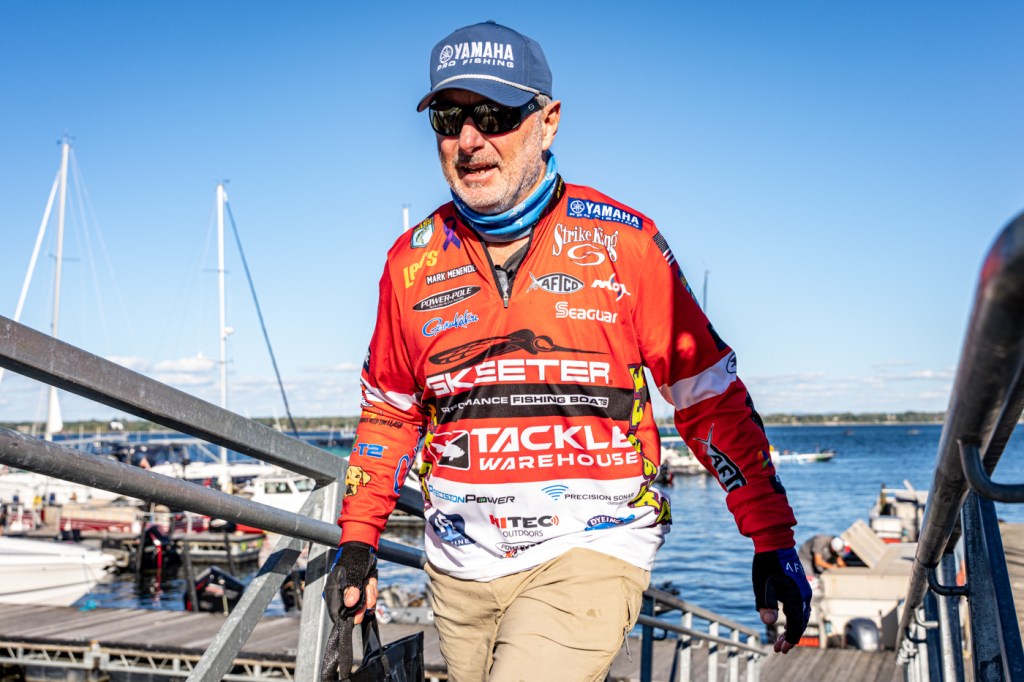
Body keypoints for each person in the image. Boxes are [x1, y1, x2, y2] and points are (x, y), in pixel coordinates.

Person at [326, 20, 812, 679]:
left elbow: (708, 395)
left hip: (592, 546)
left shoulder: (626, 242)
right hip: (458, 568)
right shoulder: (408, 263)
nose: (468, 140)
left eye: (494, 116)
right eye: (448, 118)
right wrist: (359, 540)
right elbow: (391, 411)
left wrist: (770, 535)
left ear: (548, 122)